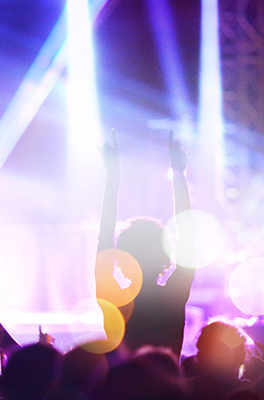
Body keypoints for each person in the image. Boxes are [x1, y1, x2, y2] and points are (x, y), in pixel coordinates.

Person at [95, 130, 195, 357]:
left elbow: (104, 239)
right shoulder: (173, 297)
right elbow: (187, 236)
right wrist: (179, 175)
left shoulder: (114, 299)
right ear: (165, 256)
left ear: (122, 259)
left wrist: (112, 178)